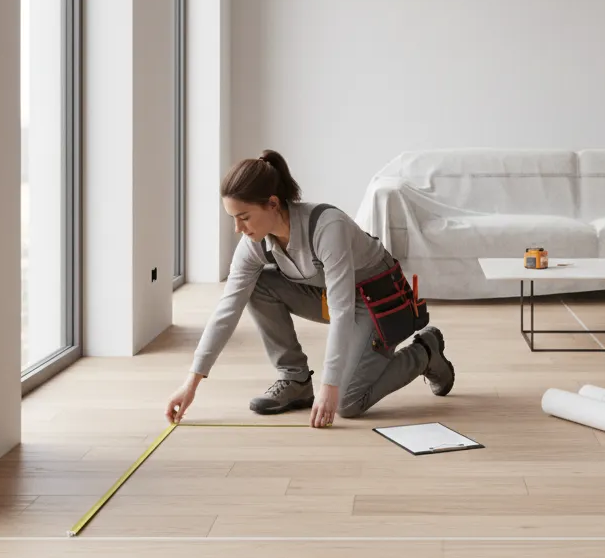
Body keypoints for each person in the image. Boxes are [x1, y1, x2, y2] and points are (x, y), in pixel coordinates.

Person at [164, 150, 455, 428]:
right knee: (258, 286)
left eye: (244, 217)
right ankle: (296, 380)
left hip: (377, 303)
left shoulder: (328, 227)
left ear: (273, 204)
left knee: (347, 403)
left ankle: (425, 352)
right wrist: (192, 382)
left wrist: (330, 385)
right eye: (233, 219)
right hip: (330, 297)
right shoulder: (255, 244)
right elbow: (227, 308)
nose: (238, 229)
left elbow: (342, 311)